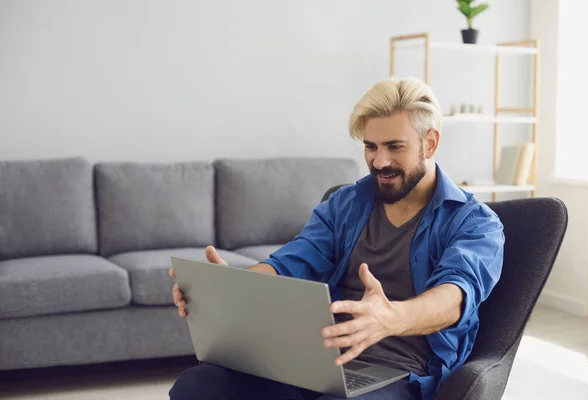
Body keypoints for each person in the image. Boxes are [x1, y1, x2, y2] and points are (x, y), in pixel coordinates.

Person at [167, 77, 505, 400]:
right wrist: (226, 288)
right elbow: (290, 264)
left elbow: (454, 297)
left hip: (400, 375)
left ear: (430, 142)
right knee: (199, 386)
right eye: (370, 147)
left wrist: (391, 318)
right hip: (316, 364)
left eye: (394, 147)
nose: (380, 161)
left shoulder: (474, 223)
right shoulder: (345, 204)